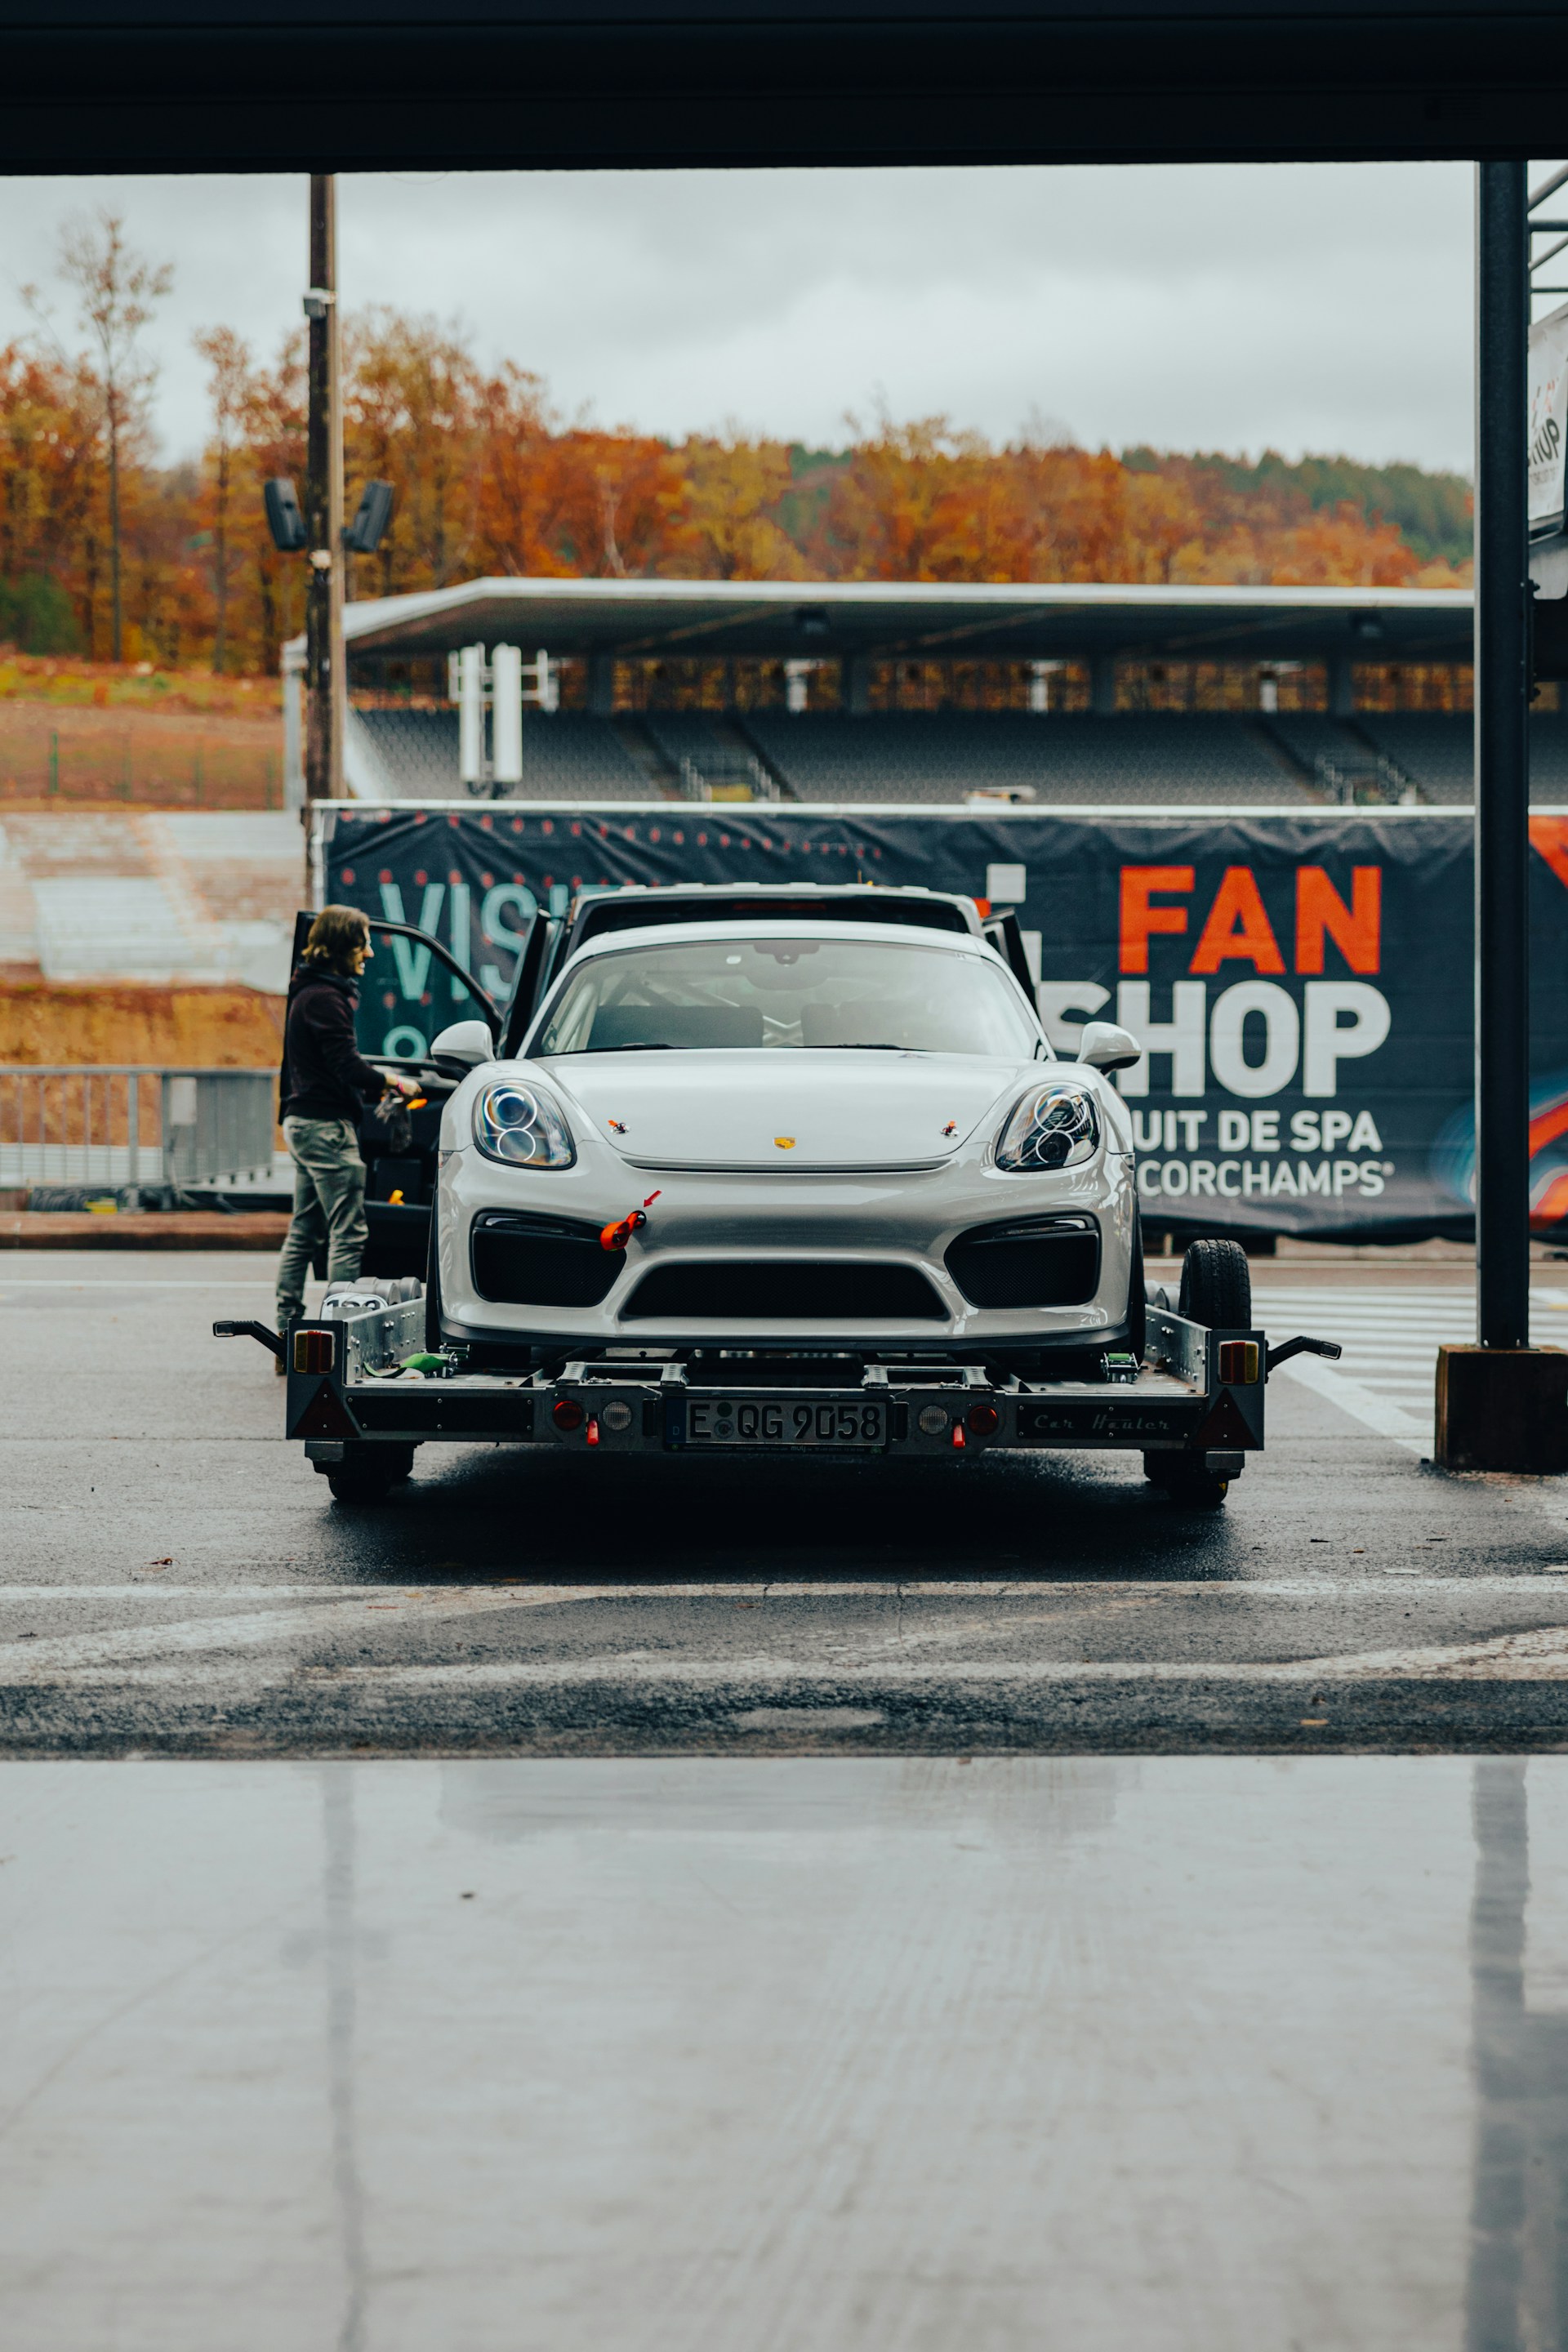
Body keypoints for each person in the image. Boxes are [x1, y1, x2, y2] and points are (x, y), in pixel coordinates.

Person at [274, 905, 419, 1370]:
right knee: (348, 1232)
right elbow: (348, 1066)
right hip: (326, 1129)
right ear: (342, 946)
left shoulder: (309, 991)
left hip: (303, 1122)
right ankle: (339, 1341)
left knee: (305, 1231)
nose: (370, 953)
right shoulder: (325, 998)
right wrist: (395, 1082)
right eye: (363, 943)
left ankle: (286, 1335)